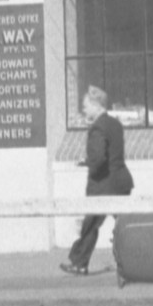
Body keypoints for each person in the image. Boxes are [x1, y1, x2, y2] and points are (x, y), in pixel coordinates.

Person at [62, 84, 133, 275]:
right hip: (121, 182)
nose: (84, 109)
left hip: (103, 184)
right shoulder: (115, 124)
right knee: (125, 225)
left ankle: (79, 263)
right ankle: (135, 260)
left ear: (96, 105)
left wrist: (88, 164)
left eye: (86, 105)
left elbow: (99, 158)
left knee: (90, 224)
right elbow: (112, 153)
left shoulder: (97, 128)